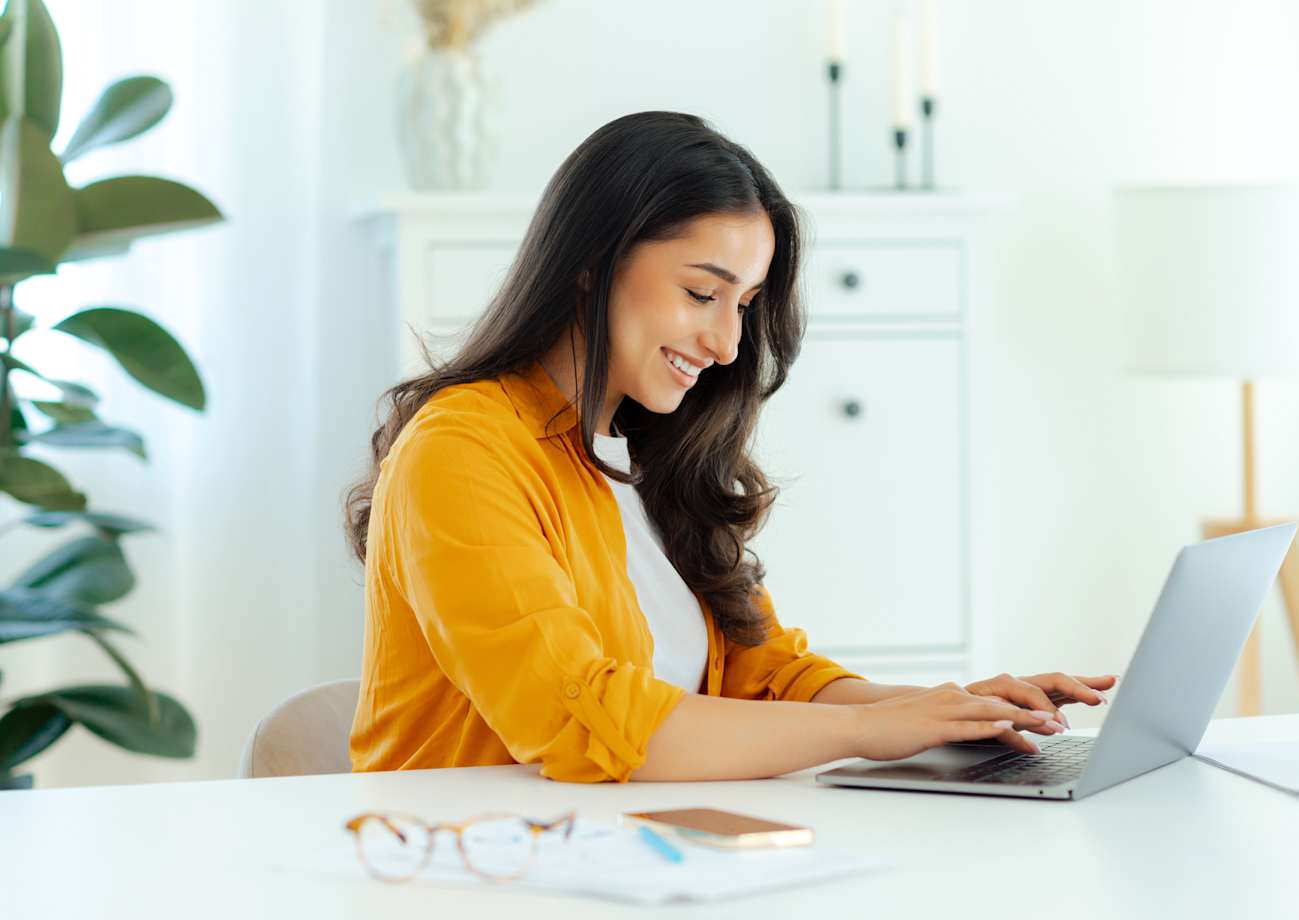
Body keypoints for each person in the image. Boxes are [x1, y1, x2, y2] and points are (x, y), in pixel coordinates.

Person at [344, 111, 1117, 784]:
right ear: (590, 265)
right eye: (701, 294)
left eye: (744, 304)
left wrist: (948, 711)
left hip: (632, 852)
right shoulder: (462, 451)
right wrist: (864, 734)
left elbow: (765, 676)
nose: (726, 342)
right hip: (464, 870)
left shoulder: (647, 451)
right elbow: (584, 720)